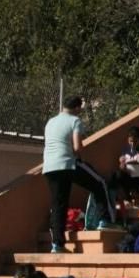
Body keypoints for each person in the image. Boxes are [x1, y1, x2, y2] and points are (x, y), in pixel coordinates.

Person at [42, 96, 117, 253]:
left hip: (49, 166)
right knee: (100, 183)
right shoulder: (75, 121)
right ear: (76, 108)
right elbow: (77, 147)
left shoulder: (51, 121)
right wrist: (79, 152)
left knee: (58, 205)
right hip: (68, 164)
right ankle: (105, 220)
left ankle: (57, 244)